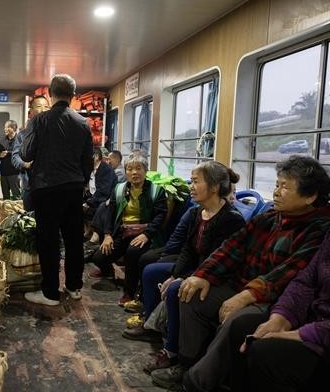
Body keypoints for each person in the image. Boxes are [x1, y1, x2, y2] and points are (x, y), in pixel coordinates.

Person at [150, 155, 330, 391]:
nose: (276, 192)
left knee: (238, 321)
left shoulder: (319, 229)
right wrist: (203, 274)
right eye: (276, 184)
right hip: (243, 284)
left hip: (273, 298)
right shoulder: (270, 217)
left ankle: (198, 383)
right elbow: (232, 247)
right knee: (188, 293)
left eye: (284, 187)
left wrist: (247, 295)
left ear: (310, 196)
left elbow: (289, 273)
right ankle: (187, 363)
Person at [123, 161, 245, 376]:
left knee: (174, 289)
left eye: (196, 182)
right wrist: (176, 274)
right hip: (197, 268)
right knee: (151, 272)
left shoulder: (231, 219)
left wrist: (183, 278)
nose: (191, 186)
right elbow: (189, 249)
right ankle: (152, 326)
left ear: (214, 187)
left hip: (217, 276)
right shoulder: (199, 213)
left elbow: (217, 261)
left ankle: (172, 351)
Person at [21, 74, 93, 306]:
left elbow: (26, 154)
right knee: (74, 240)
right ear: (73, 95)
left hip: (46, 189)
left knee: (49, 241)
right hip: (74, 188)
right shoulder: (83, 123)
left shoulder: (40, 121)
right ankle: (74, 287)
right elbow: (88, 161)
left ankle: (50, 293)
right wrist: (81, 183)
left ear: (50, 94)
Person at [228, 231, 330, 392]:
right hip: (313, 318)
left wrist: (304, 333)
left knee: (266, 352)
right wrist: (281, 317)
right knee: (242, 327)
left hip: (323, 336)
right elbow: (305, 282)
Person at [91, 154, 168, 306]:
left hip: (145, 234)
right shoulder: (119, 189)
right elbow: (110, 213)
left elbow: (160, 217)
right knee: (99, 257)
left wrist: (147, 235)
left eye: (138, 168)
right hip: (123, 232)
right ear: (125, 172)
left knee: (132, 253)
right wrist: (107, 235)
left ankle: (129, 292)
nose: (134, 172)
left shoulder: (156, 190)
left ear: (145, 171)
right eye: (130, 169)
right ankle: (108, 271)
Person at [11, 95, 50, 211]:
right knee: (30, 217)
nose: (43, 109)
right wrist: (25, 164)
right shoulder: (23, 134)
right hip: (29, 185)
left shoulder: (54, 133)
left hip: (49, 186)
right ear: (31, 111)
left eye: (46, 107)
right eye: (39, 106)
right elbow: (15, 156)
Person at [83, 147, 116, 239]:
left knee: (95, 207)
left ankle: (95, 235)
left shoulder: (106, 169)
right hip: (94, 197)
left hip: (106, 199)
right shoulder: (90, 169)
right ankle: (87, 231)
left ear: (96, 156)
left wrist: (88, 203)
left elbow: (103, 191)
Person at [0, 120, 21, 200]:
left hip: (14, 173)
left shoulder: (19, 140)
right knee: (5, 198)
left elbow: (21, 153)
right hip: (3, 173)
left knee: (16, 196)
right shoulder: (3, 140)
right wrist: (0, 155)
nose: (5, 129)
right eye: (5, 127)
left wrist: (8, 153)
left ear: (14, 128)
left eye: (8, 127)